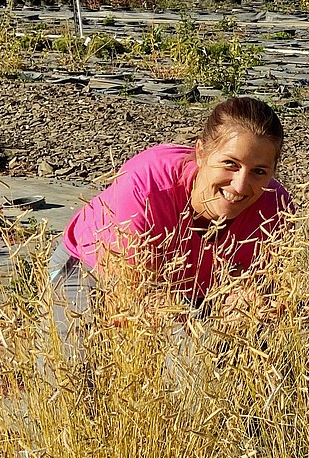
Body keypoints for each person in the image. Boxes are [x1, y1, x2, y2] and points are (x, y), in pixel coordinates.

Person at [48, 96, 293, 311]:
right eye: (230, 164)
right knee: (69, 360)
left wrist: (249, 301)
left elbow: (263, 285)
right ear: (200, 153)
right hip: (91, 271)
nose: (240, 185)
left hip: (197, 289)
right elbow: (129, 297)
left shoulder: (276, 209)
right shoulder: (145, 188)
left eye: (259, 171)